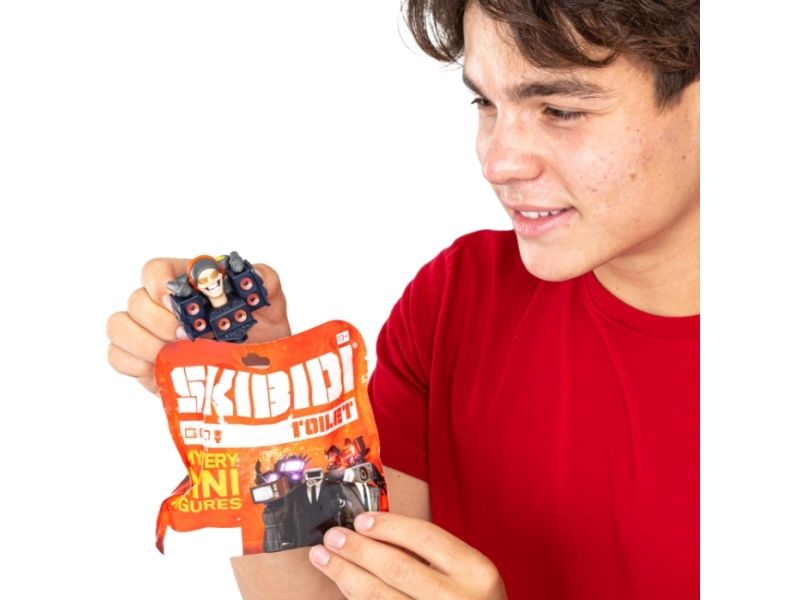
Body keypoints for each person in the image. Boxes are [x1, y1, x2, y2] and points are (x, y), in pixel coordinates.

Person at [107, 0, 699, 598]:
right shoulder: (462, 297)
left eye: (561, 110)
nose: (498, 163)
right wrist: (261, 405)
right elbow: (335, 587)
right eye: (486, 104)